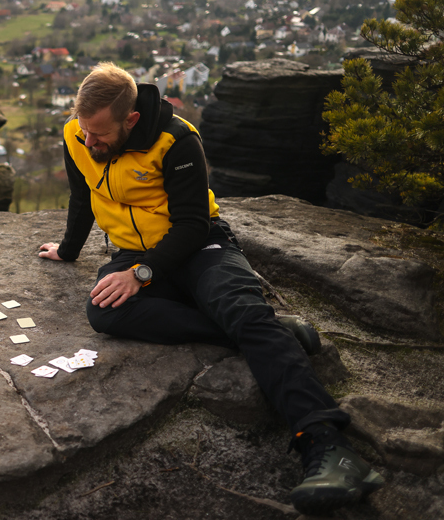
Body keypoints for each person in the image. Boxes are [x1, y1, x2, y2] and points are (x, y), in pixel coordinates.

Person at [38, 63, 383, 515]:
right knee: (104, 312)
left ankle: (328, 444)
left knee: (238, 306)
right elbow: (83, 195)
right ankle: (268, 329)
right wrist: (68, 250)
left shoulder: (177, 140)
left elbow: (192, 223)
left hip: (200, 245)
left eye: (99, 133)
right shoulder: (76, 135)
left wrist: (140, 274)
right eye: (83, 129)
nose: (88, 141)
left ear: (131, 120)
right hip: (134, 251)